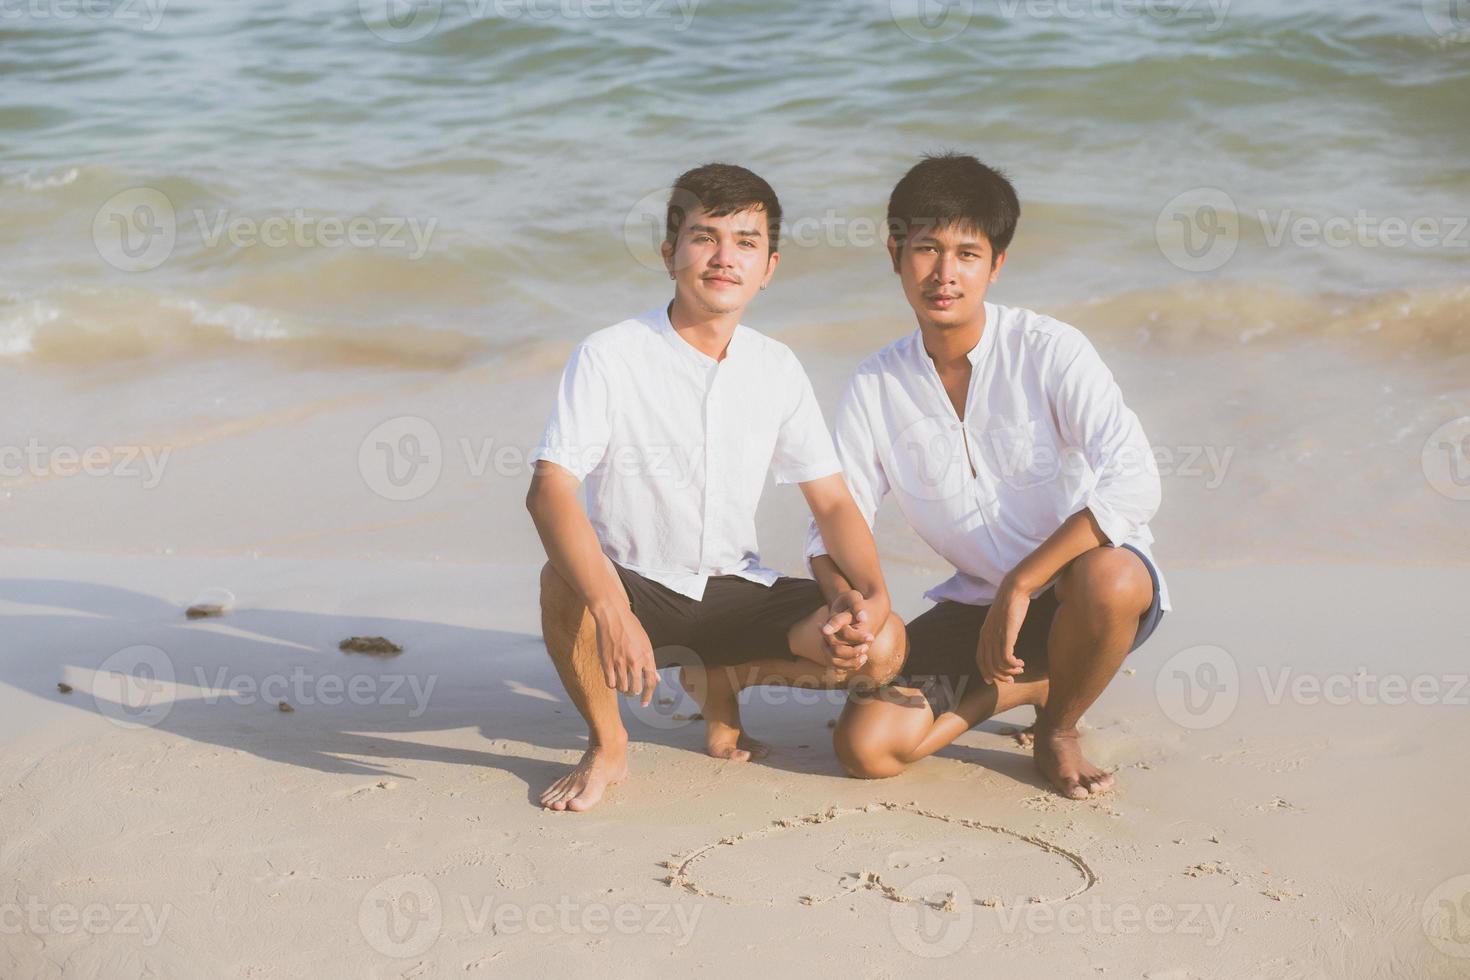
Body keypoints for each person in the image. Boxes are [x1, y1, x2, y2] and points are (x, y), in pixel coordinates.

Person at [526, 163, 907, 812]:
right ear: (670, 252)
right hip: (637, 585)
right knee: (562, 584)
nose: (725, 256)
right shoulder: (611, 354)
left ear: (769, 266)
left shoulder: (775, 367)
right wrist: (614, 613)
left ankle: (721, 676)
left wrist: (869, 592)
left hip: (737, 589)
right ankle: (608, 744)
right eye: (705, 236)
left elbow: (834, 501)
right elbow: (549, 491)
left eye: (747, 241)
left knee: (884, 645)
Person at [810, 153, 1170, 800]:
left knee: (1113, 575)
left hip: (1079, 598)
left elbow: (1137, 478)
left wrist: (1024, 582)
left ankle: (1058, 723)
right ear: (895, 254)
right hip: (974, 609)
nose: (945, 273)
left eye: (967, 253)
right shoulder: (874, 385)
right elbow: (836, 518)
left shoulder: (1048, 349)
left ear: (996, 264)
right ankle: (1028, 683)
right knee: (864, 748)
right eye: (926, 248)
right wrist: (850, 603)